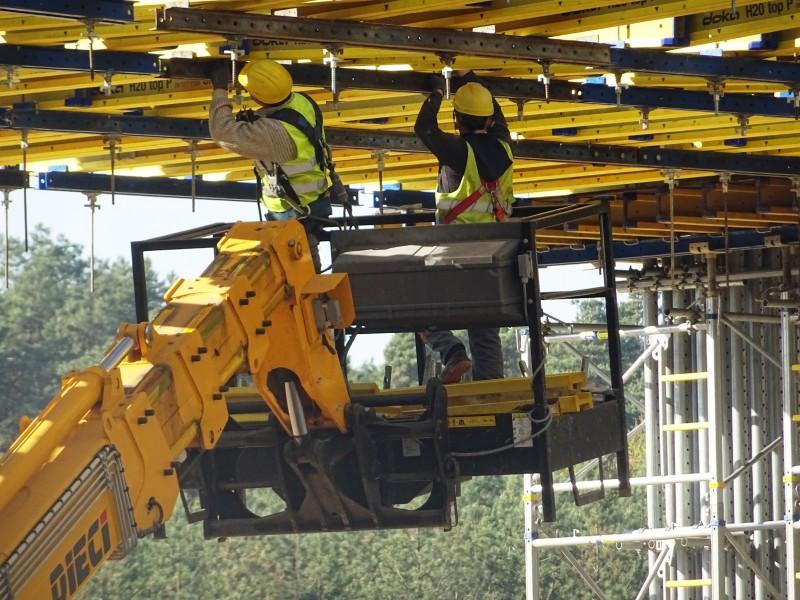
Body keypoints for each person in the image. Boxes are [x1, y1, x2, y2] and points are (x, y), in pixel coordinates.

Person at [414, 72, 514, 384]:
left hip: (455, 255)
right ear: (487, 117)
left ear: (457, 119)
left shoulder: (458, 152)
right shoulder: (505, 149)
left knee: (416, 307)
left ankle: (453, 354)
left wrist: (436, 94)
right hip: (494, 257)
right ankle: (491, 393)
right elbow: (496, 119)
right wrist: (478, 88)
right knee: (485, 331)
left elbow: (424, 129)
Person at [208, 59, 335, 271]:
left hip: (294, 213)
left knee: (299, 275)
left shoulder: (275, 135)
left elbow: (223, 133)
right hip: (311, 205)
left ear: (259, 96)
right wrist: (257, 119)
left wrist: (220, 89)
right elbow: (283, 120)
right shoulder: (303, 101)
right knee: (303, 275)